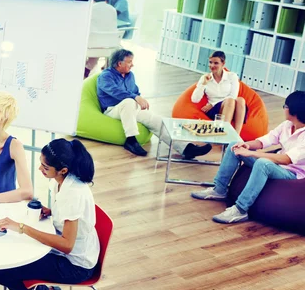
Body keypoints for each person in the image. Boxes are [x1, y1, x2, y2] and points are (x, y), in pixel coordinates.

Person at [0, 139, 99, 290]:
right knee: (11, 254)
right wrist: (51, 212)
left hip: (75, 265)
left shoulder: (73, 193)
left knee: (1, 272)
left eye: (46, 167)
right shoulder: (60, 182)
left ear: (63, 170)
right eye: (41, 163)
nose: (41, 169)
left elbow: (67, 244)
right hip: (68, 253)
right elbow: (68, 219)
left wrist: (22, 227)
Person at [192, 91, 305, 224]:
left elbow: (287, 159)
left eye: (285, 106)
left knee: (262, 163)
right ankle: (219, 189)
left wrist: (251, 153)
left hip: (292, 173)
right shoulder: (287, 125)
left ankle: (240, 209)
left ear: (294, 111)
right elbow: (265, 140)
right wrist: (245, 145)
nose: (284, 108)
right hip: (278, 165)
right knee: (234, 146)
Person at [98, 49, 211, 158]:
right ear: (119, 63)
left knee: (156, 120)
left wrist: (139, 98)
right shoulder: (105, 76)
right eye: (129, 62)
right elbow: (116, 92)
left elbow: (135, 91)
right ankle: (131, 140)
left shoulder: (130, 75)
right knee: (128, 101)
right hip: (112, 110)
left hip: (130, 109)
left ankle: (186, 149)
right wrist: (136, 97)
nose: (132, 65)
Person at [191, 50, 247, 136]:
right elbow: (195, 100)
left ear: (223, 63)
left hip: (227, 104)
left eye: (216, 63)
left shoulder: (232, 76)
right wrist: (204, 84)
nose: (212, 66)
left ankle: (236, 136)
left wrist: (212, 104)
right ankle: (223, 135)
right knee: (230, 101)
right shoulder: (204, 78)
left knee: (240, 100)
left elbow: (233, 95)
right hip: (215, 110)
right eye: (210, 62)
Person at [84, 0, 118, 79]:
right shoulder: (112, 9)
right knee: (98, 41)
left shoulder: (90, 9)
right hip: (109, 47)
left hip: (92, 47)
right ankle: (87, 69)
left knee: (91, 40)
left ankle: (85, 70)